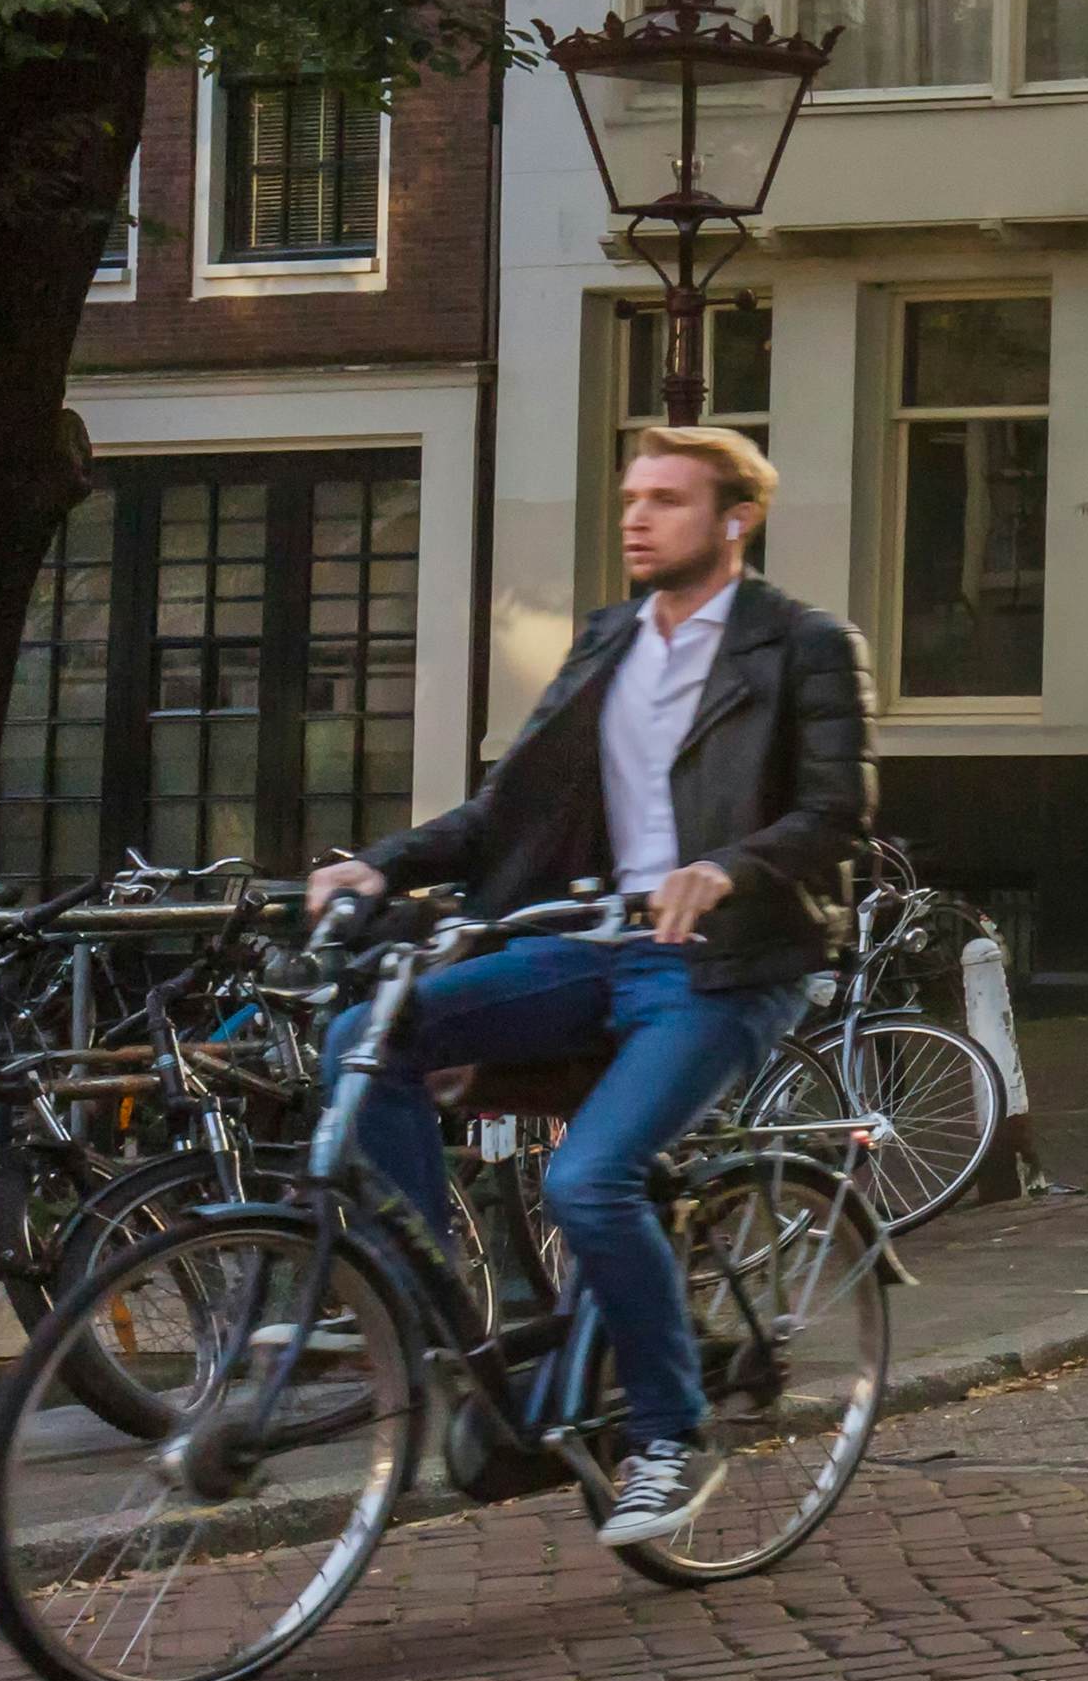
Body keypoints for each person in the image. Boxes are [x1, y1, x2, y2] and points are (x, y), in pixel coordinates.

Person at [314, 424, 873, 1556]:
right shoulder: (609, 638)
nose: (636, 516)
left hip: (723, 965)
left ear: (733, 519)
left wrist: (729, 866)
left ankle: (672, 1434)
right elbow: (506, 808)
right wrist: (386, 860)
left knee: (591, 1175)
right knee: (367, 1035)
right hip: (597, 942)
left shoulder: (803, 644)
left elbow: (839, 811)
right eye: (631, 495)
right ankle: (438, 1315)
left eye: (666, 497)